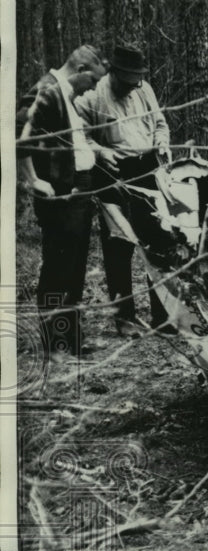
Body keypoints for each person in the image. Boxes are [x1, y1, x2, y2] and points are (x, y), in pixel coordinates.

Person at [16, 45, 108, 361]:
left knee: (75, 270)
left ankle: (71, 340)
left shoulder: (65, 94)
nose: (94, 87)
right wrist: (32, 180)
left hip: (78, 192)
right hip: (59, 195)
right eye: (93, 80)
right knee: (57, 269)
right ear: (81, 69)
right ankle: (55, 346)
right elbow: (18, 134)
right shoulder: (46, 90)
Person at [75, 45, 174, 337]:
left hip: (147, 170)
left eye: (137, 80)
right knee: (119, 247)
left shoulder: (144, 90)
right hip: (112, 173)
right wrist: (101, 152)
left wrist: (162, 142)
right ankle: (125, 318)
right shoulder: (93, 95)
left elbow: (160, 124)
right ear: (113, 72)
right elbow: (78, 137)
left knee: (158, 242)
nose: (132, 86)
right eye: (127, 80)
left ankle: (163, 316)